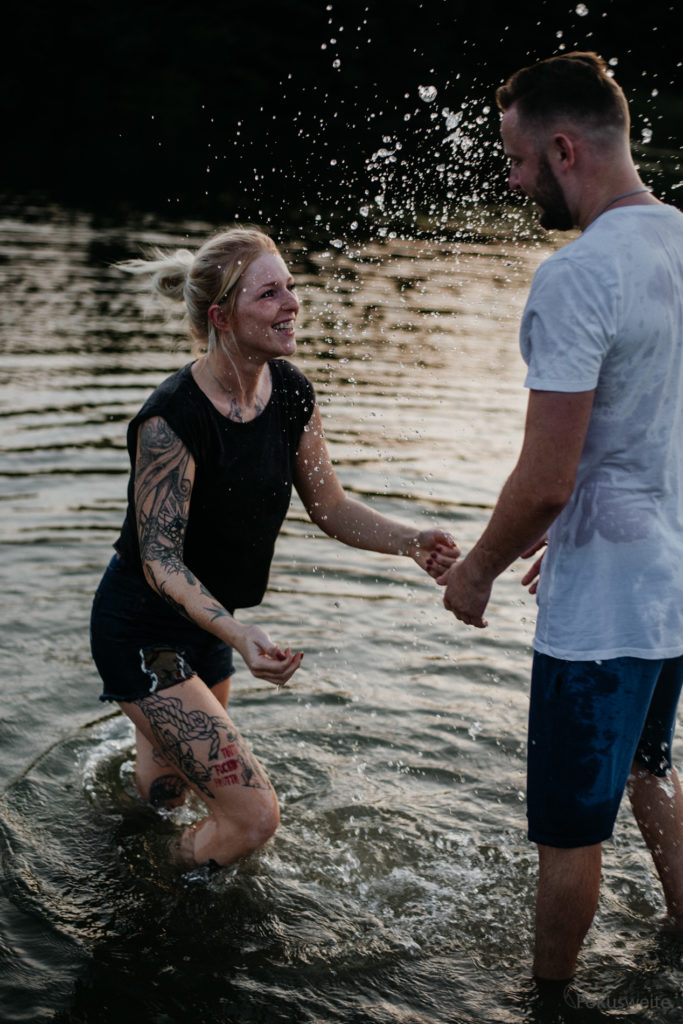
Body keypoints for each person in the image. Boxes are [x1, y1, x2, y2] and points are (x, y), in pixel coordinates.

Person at [90, 225, 458, 872]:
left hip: (211, 628)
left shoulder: (288, 393)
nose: (291, 302)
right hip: (143, 631)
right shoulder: (171, 420)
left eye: (290, 287)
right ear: (220, 317)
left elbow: (331, 507)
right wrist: (238, 634)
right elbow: (160, 561)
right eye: (269, 293)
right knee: (252, 817)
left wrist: (411, 541)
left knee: (170, 794)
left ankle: (138, 832)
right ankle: (143, 887)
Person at [438, 52, 683, 980]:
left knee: (568, 830)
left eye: (515, 159)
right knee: (650, 769)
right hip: (667, 589)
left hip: (602, 617)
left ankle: (545, 1002)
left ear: (564, 148)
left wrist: (477, 570)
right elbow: (648, 421)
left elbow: (546, 475)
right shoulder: (677, 240)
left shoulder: (578, 275)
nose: (510, 180)